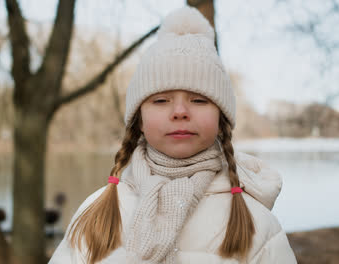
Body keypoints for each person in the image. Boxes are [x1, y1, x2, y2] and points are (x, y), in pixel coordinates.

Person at [49, 6, 297, 264]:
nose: (180, 111)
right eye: (161, 100)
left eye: (199, 100)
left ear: (221, 119)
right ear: (139, 121)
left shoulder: (257, 224)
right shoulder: (96, 213)